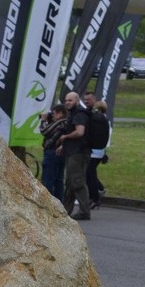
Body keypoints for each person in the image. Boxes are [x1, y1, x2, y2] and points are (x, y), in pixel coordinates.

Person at [57, 91, 92, 220]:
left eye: (70, 100)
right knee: (70, 182)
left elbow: (79, 132)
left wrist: (65, 137)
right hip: (72, 151)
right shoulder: (73, 114)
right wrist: (63, 146)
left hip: (79, 153)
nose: (67, 102)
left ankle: (84, 211)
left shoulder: (79, 114)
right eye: (66, 100)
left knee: (77, 181)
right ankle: (66, 210)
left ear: (77, 101)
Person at [85, 96, 111, 210]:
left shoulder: (96, 119)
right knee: (91, 173)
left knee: (90, 174)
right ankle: (97, 192)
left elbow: (94, 135)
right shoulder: (105, 119)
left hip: (94, 151)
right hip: (99, 150)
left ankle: (95, 197)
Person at [39, 102, 68, 201]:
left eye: (54, 113)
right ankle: (60, 202)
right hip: (61, 154)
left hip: (52, 153)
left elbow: (44, 131)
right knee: (59, 180)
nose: (53, 116)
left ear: (60, 113)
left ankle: (47, 203)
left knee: (48, 179)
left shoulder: (60, 122)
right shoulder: (66, 122)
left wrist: (43, 120)